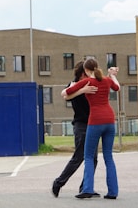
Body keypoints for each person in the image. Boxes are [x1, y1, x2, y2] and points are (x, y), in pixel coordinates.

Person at [61, 58, 120, 200]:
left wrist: (81, 89)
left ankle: (87, 188)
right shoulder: (106, 80)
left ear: (86, 70)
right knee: (108, 157)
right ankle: (113, 192)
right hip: (110, 120)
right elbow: (117, 87)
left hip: (95, 121)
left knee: (88, 156)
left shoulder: (87, 82)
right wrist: (112, 75)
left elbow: (66, 93)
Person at [52, 61, 99, 198]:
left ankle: (86, 187)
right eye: (87, 72)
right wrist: (82, 91)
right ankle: (58, 182)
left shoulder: (91, 83)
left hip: (93, 124)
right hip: (81, 125)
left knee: (94, 159)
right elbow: (65, 95)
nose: (90, 74)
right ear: (82, 73)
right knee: (79, 157)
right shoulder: (73, 85)